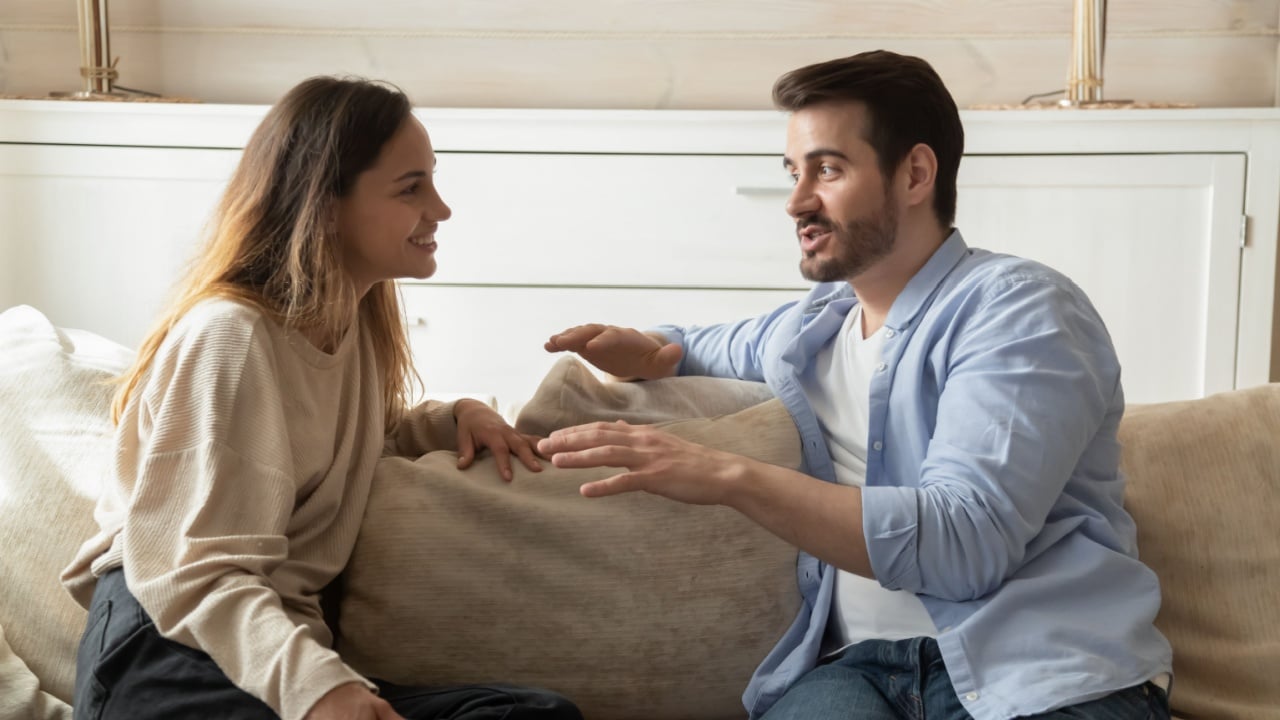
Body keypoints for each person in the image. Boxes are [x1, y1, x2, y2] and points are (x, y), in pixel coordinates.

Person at [540, 50, 1173, 720]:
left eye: (828, 170)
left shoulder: (1019, 308)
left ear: (915, 174)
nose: (796, 202)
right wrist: (650, 351)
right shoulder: (813, 328)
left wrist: (729, 477)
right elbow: (698, 345)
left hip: (1039, 671)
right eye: (793, 172)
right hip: (855, 673)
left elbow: (967, 545)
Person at [61, 76, 582, 720]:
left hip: (271, 651)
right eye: (411, 188)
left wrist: (455, 417)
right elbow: (192, 570)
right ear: (326, 205)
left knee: (535, 714)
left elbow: (341, 435)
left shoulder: (351, 330)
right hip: (168, 649)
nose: (441, 209)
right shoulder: (229, 337)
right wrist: (318, 689)